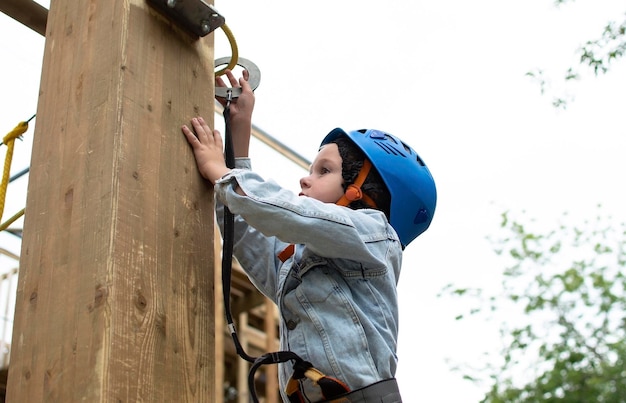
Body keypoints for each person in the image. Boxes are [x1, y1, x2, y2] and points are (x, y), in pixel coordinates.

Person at [182, 70, 436, 403]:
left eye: (324, 171)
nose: (305, 180)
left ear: (361, 192)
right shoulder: (297, 261)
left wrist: (220, 171)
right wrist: (238, 133)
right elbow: (243, 228)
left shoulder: (376, 237)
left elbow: (287, 213)